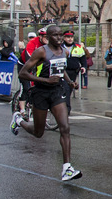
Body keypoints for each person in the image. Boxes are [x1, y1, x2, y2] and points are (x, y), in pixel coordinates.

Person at [11, 24, 82, 181]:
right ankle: (18, 120)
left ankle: (67, 168)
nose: (59, 38)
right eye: (55, 35)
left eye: (60, 35)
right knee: (38, 132)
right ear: (48, 37)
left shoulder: (64, 51)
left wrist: (70, 82)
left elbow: (61, 69)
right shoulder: (41, 52)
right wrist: (45, 80)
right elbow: (23, 73)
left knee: (65, 127)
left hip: (56, 92)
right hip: (41, 93)